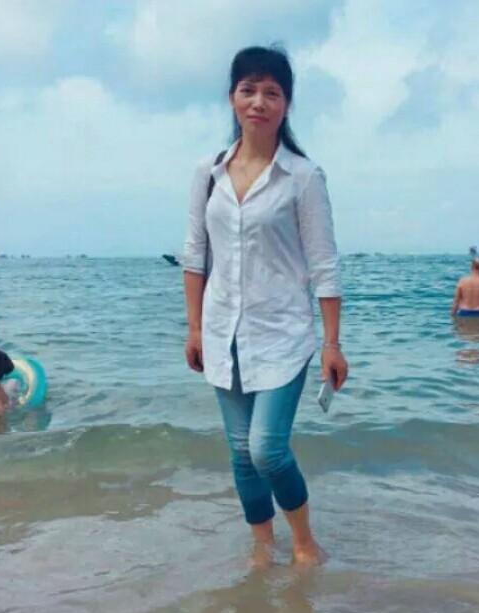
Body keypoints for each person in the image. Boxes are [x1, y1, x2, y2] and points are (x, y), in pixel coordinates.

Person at [183, 46, 348, 567]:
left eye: (272, 92)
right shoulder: (208, 172)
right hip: (221, 331)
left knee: (266, 449)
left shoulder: (303, 177)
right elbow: (194, 254)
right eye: (248, 89)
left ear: (286, 104)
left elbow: (324, 264)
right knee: (239, 452)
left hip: (283, 332)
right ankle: (262, 546)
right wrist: (194, 328)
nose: (259, 101)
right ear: (232, 97)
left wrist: (332, 343)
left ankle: (304, 543)